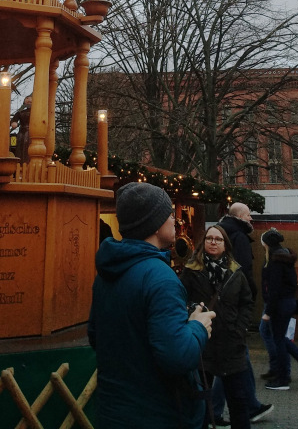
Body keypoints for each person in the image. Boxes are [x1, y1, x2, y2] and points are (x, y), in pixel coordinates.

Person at [88, 182, 215, 429]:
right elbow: (177, 356)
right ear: (155, 225)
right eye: (168, 214)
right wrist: (198, 327)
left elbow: (96, 336)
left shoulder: (107, 273)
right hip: (158, 414)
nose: (174, 221)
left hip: (112, 411)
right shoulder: (160, 277)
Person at [182, 225, 256, 429]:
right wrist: (191, 313)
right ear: (203, 242)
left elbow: (246, 302)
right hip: (202, 345)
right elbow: (181, 300)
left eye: (218, 239)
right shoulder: (192, 271)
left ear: (225, 245)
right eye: (209, 238)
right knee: (201, 404)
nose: (213, 242)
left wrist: (240, 329)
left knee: (238, 403)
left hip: (232, 345)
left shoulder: (235, 271)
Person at [212, 204, 272, 424]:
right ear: (239, 217)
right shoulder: (240, 237)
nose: (251, 219)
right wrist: (251, 296)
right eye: (248, 215)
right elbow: (244, 271)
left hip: (220, 303)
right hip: (233, 306)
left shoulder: (218, 232)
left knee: (234, 358)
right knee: (232, 360)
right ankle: (225, 410)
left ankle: (244, 406)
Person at [261, 229, 298, 391]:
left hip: (279, 306)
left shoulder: (275, 260)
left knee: (279, 340)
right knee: (281, 339)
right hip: (288, 302)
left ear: (267, 243)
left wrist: (268, 312)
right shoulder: (286, 257)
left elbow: (274, 289)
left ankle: (285, 378)